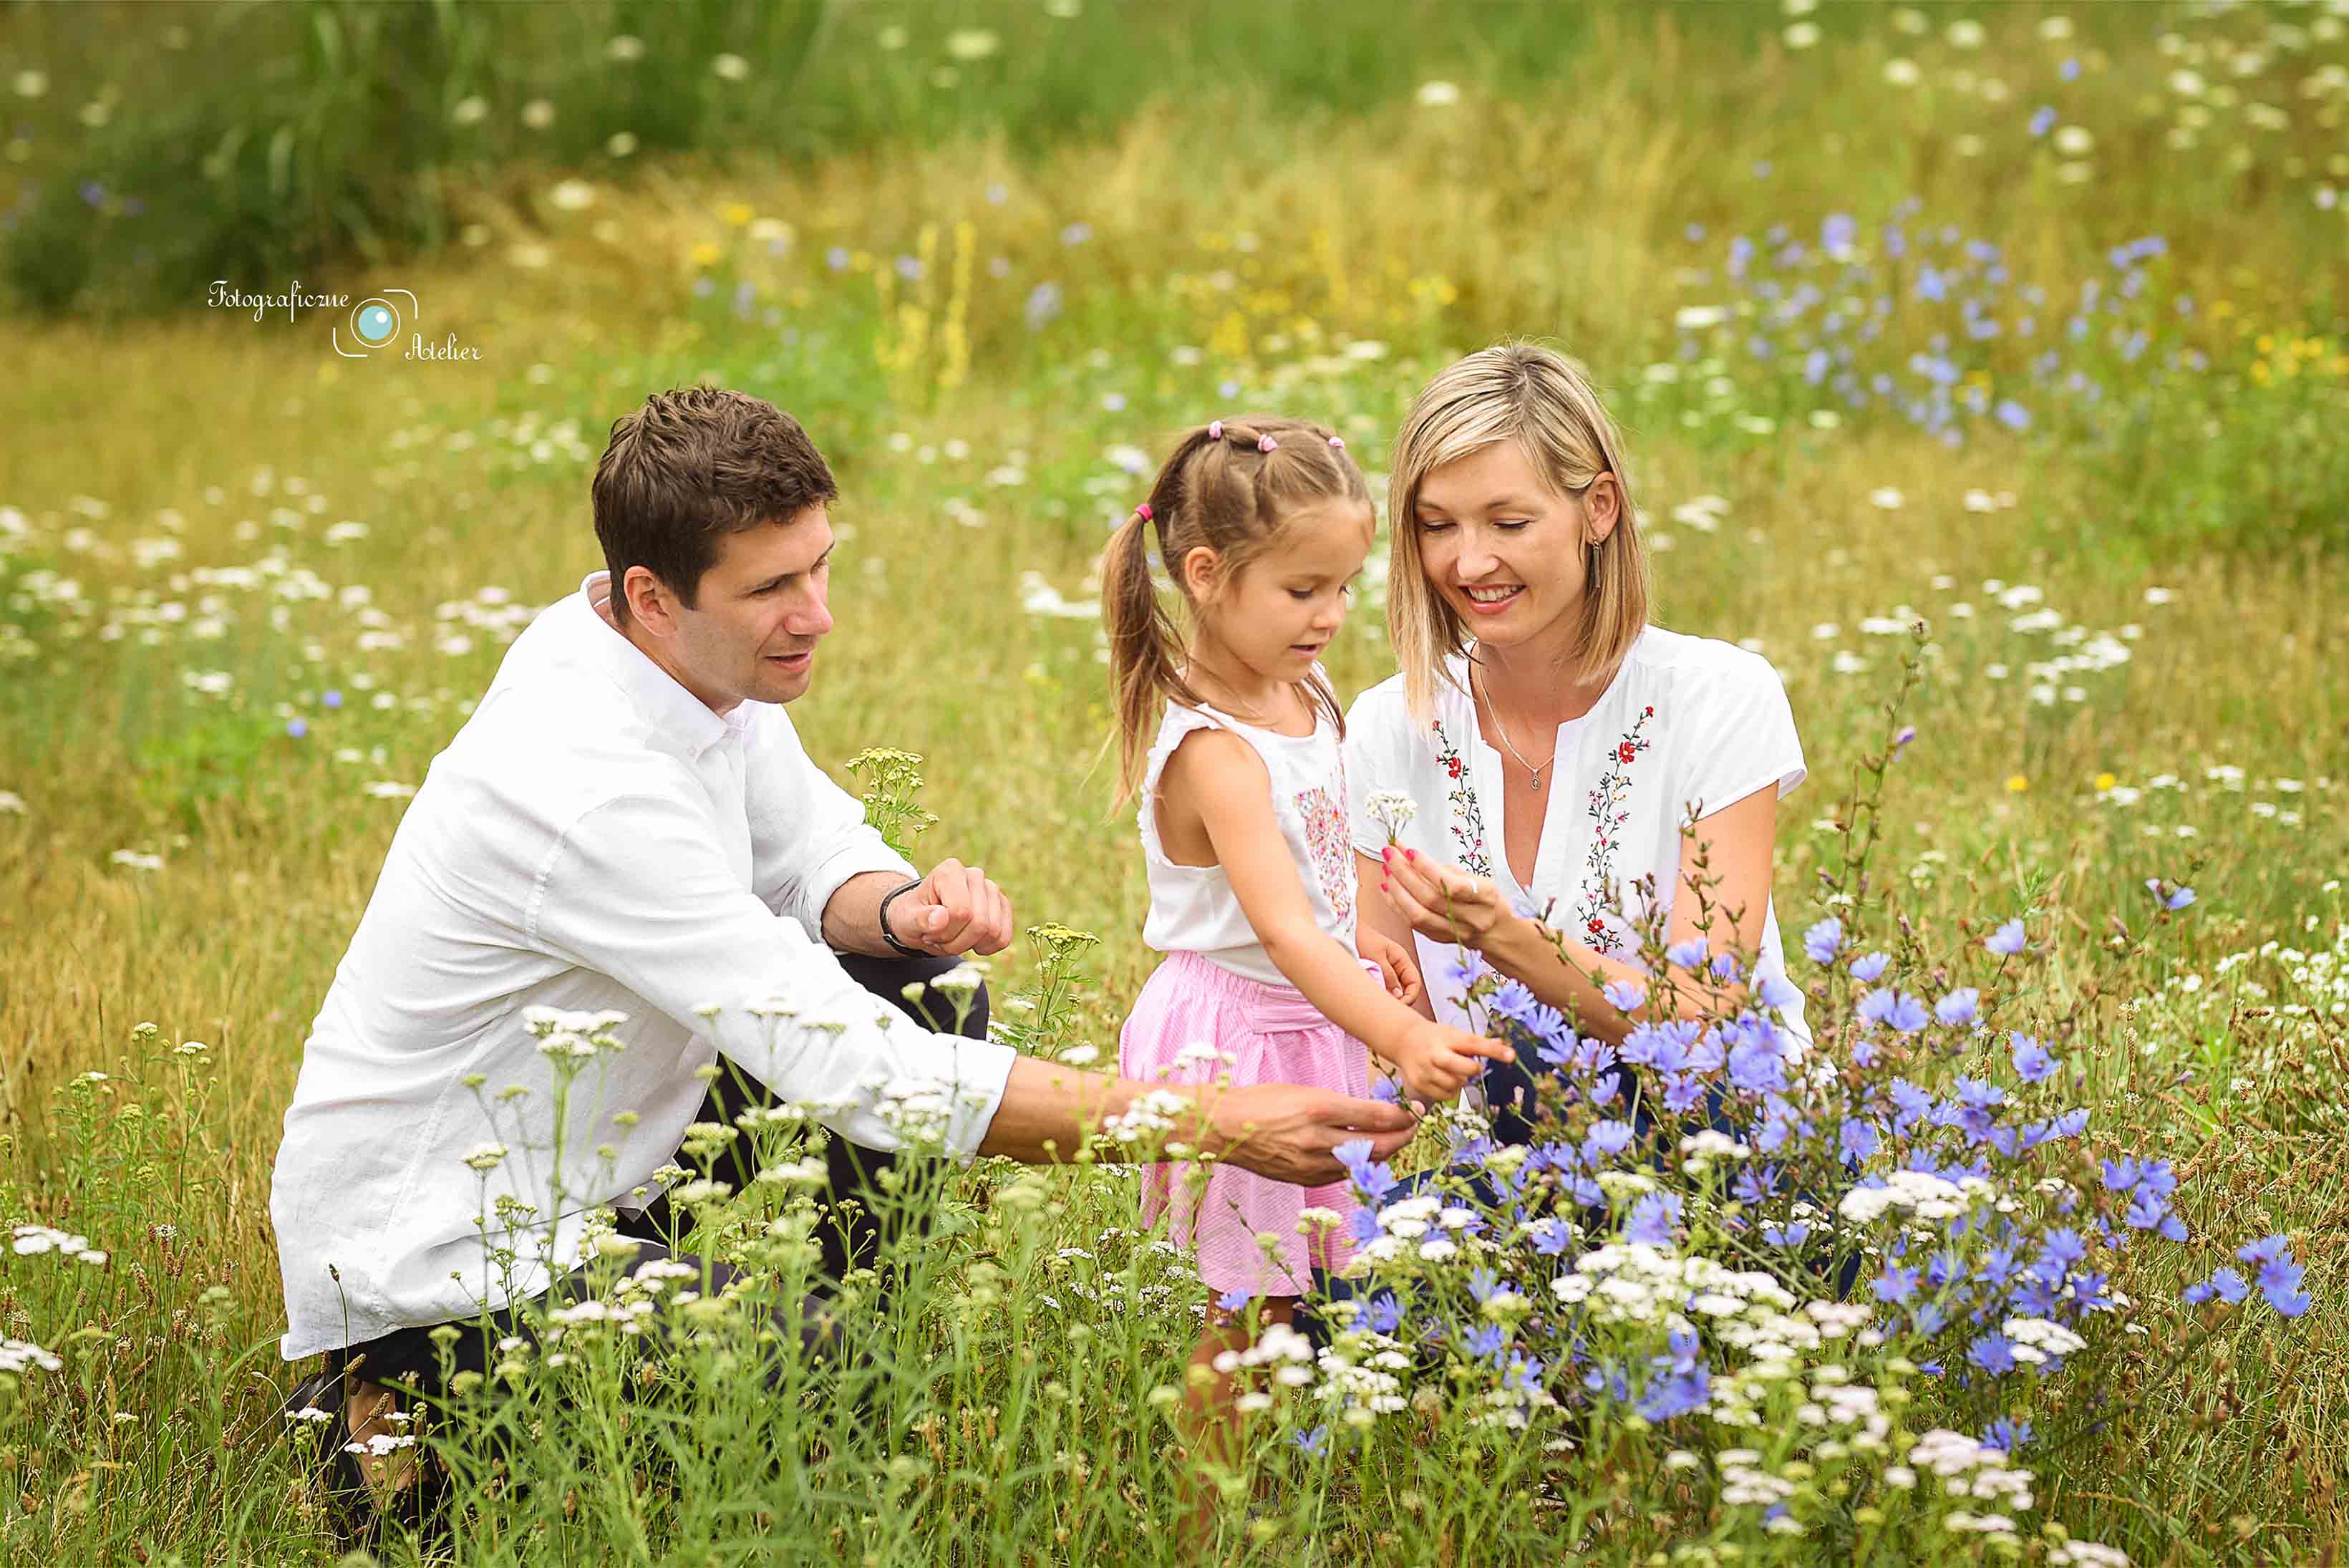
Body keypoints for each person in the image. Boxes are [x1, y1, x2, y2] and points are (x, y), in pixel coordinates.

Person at [266, 389, 1415, 1524]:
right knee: (799, 1355)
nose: (816, 613)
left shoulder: (670, 658)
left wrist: (904, 910)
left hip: (593, 1160)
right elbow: (853, 1068)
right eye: (773, 587)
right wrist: (1211, 1119)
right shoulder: (585, 782)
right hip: (445, 1245)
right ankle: (391, 1411)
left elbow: (810, 845)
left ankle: (791, 1354)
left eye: (820, 566)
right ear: (651, 596)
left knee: (917, 986)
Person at [1100, 415, 1511, 1486]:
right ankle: (1210, 1518)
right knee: (1245, 1306)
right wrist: (1404, 1033)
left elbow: (1323, 860)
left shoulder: (1300, 693)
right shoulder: (1218, 751)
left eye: (1343, 585)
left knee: (1303, 1282)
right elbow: (1279, 929)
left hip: (1307, 1009)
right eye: (1302, 590)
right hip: (1242, 1032)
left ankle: (1284, 1478)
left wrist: (1374, 927)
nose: (1330, 615)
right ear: (1206, 573)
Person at [1347, 344, 1809, 1146]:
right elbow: (1390, 1038)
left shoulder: (1717, 698)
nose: (1469, 561)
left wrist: (1507, 939)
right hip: (1509, 1184)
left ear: (1598, 509)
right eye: (1435, 526)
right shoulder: (1389, 726)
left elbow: (1701, 1029)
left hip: (1723, 1149)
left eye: (1509, 522)